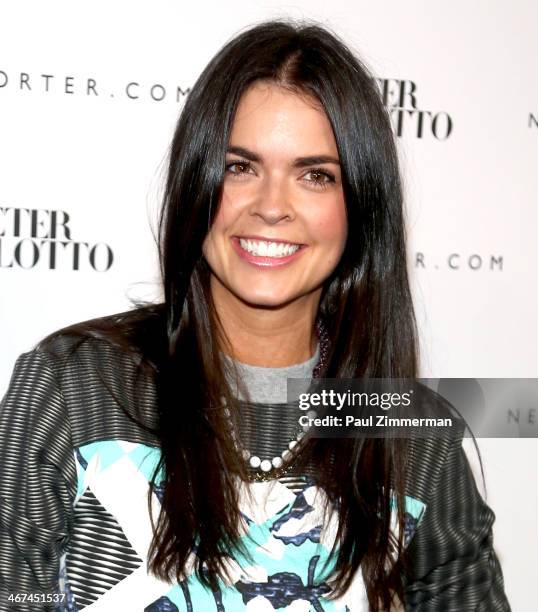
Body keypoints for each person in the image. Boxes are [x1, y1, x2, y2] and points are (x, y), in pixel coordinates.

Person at [0, 19, 510, 612]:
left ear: (359, 212)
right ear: (196, 183)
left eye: (315, 176)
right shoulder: (74, 385)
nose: (271, 207)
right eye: (240, 166)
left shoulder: (413, 437)